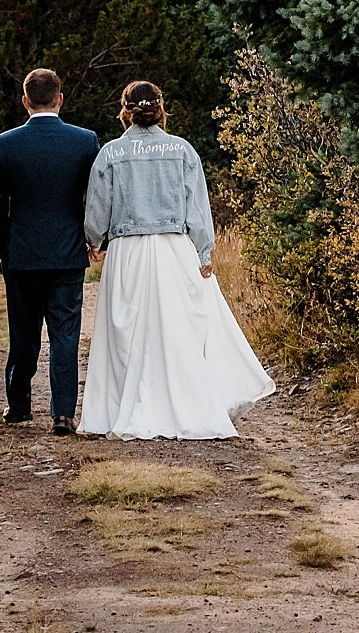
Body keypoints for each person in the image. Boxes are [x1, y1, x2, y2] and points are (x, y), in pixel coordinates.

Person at [79, 79, 274, 442]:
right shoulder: (182, 151)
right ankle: (188, 403)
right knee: (177, 328)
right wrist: (203, 252)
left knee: (128, 334)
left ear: (125, 111)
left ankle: (125, 405)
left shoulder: (110, 154)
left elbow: (97, 209)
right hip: (174, 248)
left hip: (128, 251)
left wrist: (94, 242)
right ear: (160, 108)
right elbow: (198, 208)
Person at [0, 66, 101, 435]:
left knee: (23, 332)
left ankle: (18, 407)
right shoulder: (84, 141)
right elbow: (97, 197)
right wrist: (93, 237)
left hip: (21, 254)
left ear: (25, 101)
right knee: (65, 333)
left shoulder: (6, 143)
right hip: (67, 252)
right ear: (60, 99)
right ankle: (63, 414)